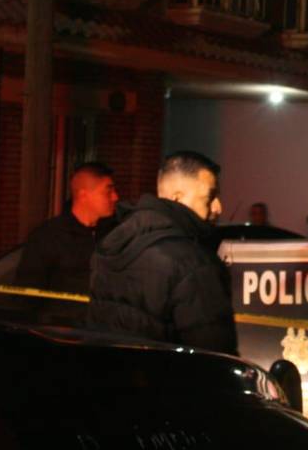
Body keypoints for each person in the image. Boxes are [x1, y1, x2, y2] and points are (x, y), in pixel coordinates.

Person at [87, 151, 238, 354]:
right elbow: (215, 357)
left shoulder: (111, 246)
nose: (218, 207)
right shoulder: (193, 263)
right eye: (210, 197)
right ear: (177, 198)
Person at [15, 162, 118, 324]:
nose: (115, 197)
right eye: (108, 191)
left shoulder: (115, 235)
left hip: (106, 332)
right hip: (62, 332)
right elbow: (26, 296)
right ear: (84, 195)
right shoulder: (49, 237)